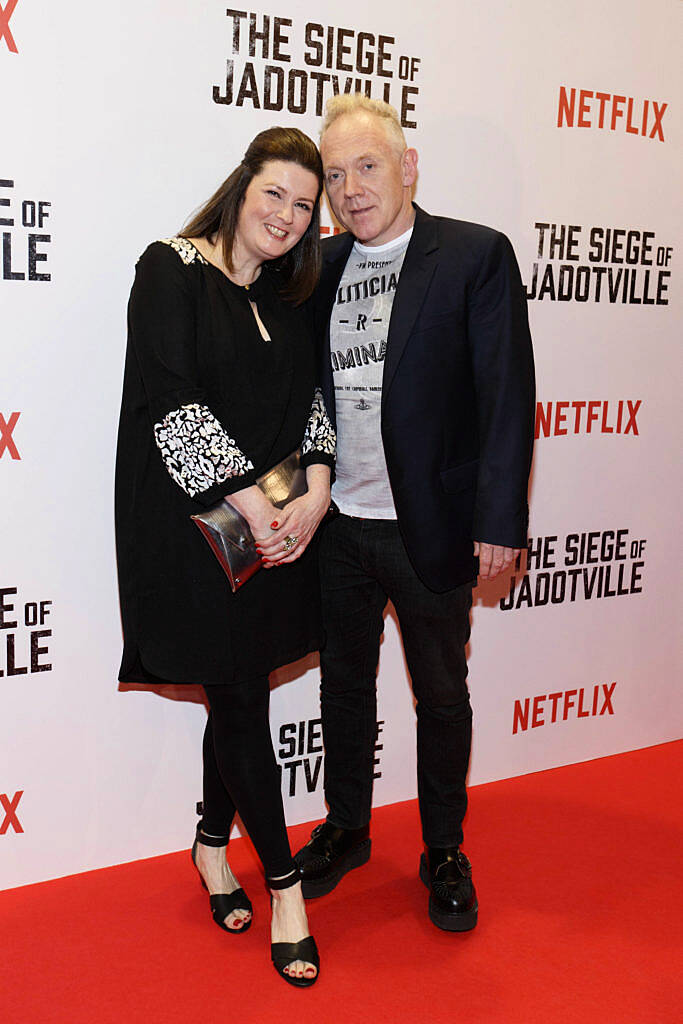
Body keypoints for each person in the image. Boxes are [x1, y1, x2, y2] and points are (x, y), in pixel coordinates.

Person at [294, 95, 535, 932]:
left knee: (441, 695)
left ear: (408, 167)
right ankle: (348, 829)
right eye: (332, 173)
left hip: (428, 524)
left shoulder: (471, 255)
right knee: (343, 687)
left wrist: (500, 519)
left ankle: (441, 850)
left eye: (366, 166)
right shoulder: (316, 267)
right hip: (337, 524)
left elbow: (506, 397)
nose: (349, 188)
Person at [115, 127, 336, 986]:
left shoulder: (290, 294)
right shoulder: (168, 269)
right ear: (241, 188)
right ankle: (283, 885)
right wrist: (261, 506)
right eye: (273, 193)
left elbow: (315, 399)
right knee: (241, 694)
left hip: (279, 531)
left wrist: (314, 491)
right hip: (192, 534)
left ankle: (212, 847)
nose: (285, 216)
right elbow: (171, 404)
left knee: (236, 687)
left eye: (303, 206)